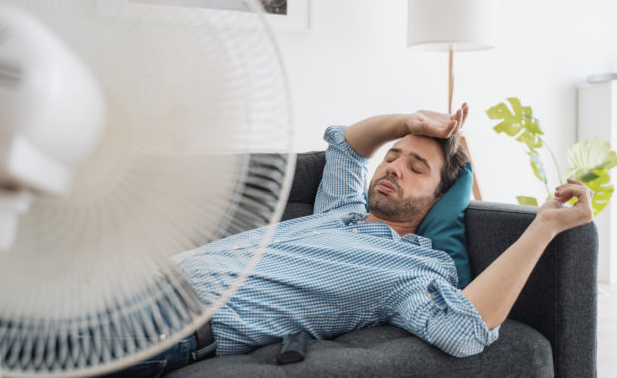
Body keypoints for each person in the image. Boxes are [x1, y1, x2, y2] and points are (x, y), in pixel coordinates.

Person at [111, 103, 593, 377]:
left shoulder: (415, 269)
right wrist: (410, 124)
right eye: (393, 157)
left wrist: (544, 227)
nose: (393, 168)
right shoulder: (342, 208)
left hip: (169, 320)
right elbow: (346, 142)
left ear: (439, 197)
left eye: (415, 167)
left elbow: (465, 330)